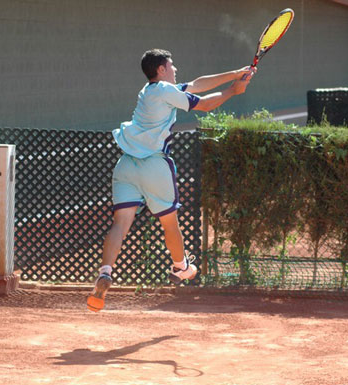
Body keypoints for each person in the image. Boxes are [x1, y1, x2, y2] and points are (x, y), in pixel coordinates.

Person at [87, 49, 255, 312]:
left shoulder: (150, 89)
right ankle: (181, 266)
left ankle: (105, 272)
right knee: (170, 224)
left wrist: (236, 74)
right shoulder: (165, 90)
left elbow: (198, 83)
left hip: (126, 165)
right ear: (162, 70)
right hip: (154, 165)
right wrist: (233, 91)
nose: (175, 68)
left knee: (120, 224)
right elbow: (206, 104)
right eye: (171, 64)